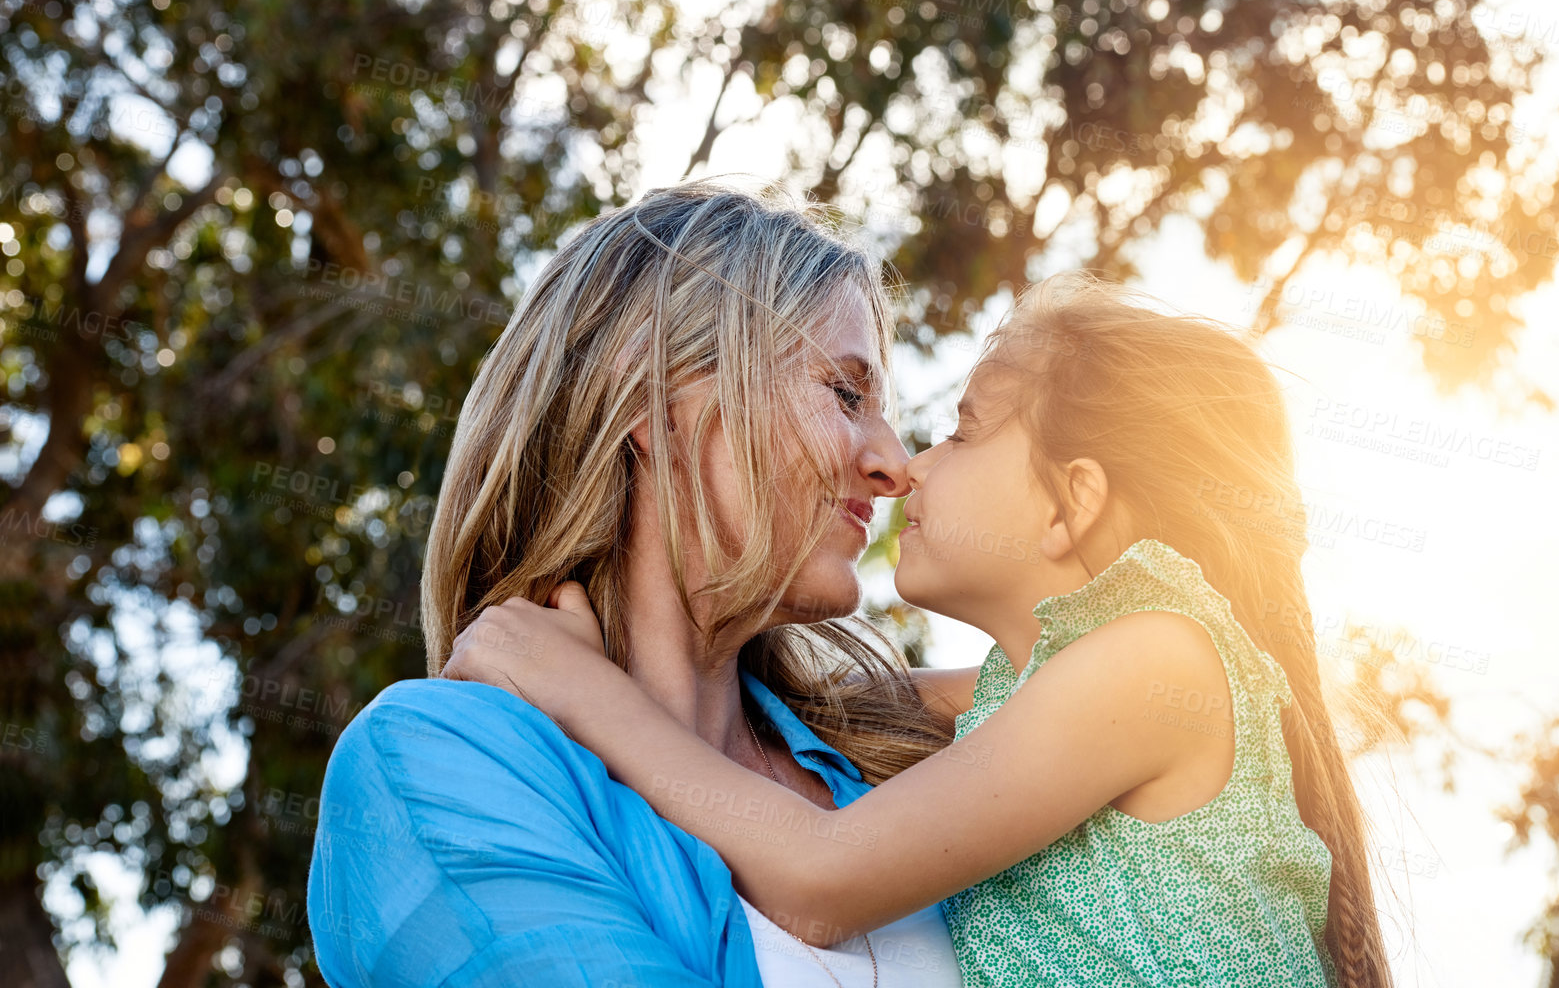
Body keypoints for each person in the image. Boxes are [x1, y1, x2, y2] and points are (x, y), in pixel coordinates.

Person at [446, 272, 1397, 988]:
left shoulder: (1154, 662)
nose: (909, 467)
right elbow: (797, 712)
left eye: (965, 430)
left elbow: (822, 880)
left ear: (1072, 506)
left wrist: (580, 693)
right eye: (852, 401)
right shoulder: (1036, 694)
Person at [307, 180, 966, 987]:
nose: (894, 464)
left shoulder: (900, 760)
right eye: (845, 392)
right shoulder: (432, 764)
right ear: (660, 400)